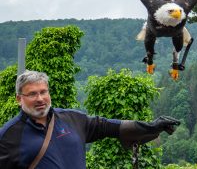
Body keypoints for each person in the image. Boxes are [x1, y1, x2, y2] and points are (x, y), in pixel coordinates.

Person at [0, 70, 180, 169]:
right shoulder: (8, 136)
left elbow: (109, 126)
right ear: (19, 98)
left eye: (43, 92)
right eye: (32, 94)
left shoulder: (72, 119)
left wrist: (151, 127)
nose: (40, 99)